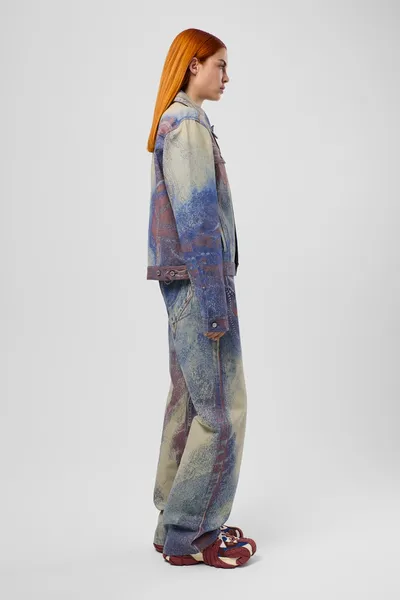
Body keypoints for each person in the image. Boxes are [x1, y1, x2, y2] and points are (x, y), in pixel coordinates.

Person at [146, 28, 256, 569]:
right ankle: (194, 535)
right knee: (222, 412)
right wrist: (215, 305)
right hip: (201, 285)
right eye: (219, 64)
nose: (226, 76)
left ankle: (173, 524)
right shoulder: (187, 125)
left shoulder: (178, 122)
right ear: (194, 65)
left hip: (187, 284)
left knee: (191, 404)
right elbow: (196, 223)